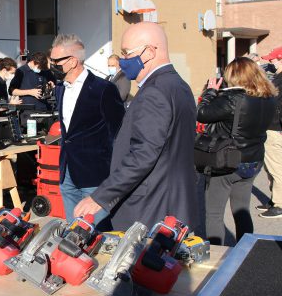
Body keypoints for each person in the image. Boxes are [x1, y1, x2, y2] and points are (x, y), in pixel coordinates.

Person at [73, 22, 199, 232]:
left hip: (150, 208)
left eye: (126, 53)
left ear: (149, 52)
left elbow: (143, 155)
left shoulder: (155, 92)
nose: (122, 61)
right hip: (173, 202)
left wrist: (100, 197)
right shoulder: (179, 86)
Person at [197, 57, 277, 244]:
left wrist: (210, 91)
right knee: (241, 209)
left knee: (215, 213)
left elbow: (201, 113)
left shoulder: (234, 98)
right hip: (253, 159)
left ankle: (216, 256)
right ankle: (245, 249)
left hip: (227, 159)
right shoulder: (268, 98)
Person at [50, 34, 125, 223]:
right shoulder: (60, 89)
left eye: (56, 61)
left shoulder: (103, 89)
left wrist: (115, 175)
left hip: (95, 175)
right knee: (74, 233)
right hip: (67, 172)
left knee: (97, 233)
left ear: (73, 61)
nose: (52, 65)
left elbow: (119, 132)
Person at [258, 46, 282, 218]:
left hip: (276, 129)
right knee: (270, 167)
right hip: (270, 128)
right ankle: (275, 199)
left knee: (277, 168)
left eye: (273, 59)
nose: (270, 62)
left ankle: (280, 204)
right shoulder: (277, 78)